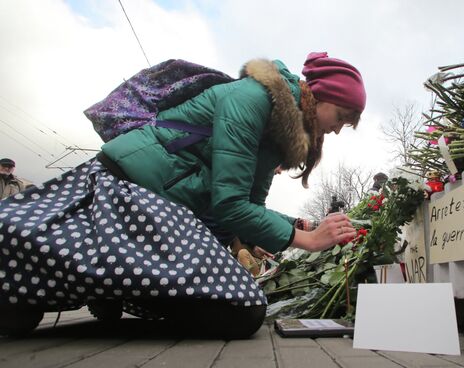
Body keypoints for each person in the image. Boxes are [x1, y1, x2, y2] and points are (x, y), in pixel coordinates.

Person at [0, 52, 365, 337]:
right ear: (320, 97)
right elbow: (229, 204)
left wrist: (303, 226)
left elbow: (249, 207)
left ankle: (106, 287)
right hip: (126, 190)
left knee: (241, 310)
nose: (339, 129)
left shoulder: (278, 133)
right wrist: (308, 240)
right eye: (343, 116)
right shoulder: (251, 99)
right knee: (242, 312)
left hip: (160, 205)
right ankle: (104, 286)